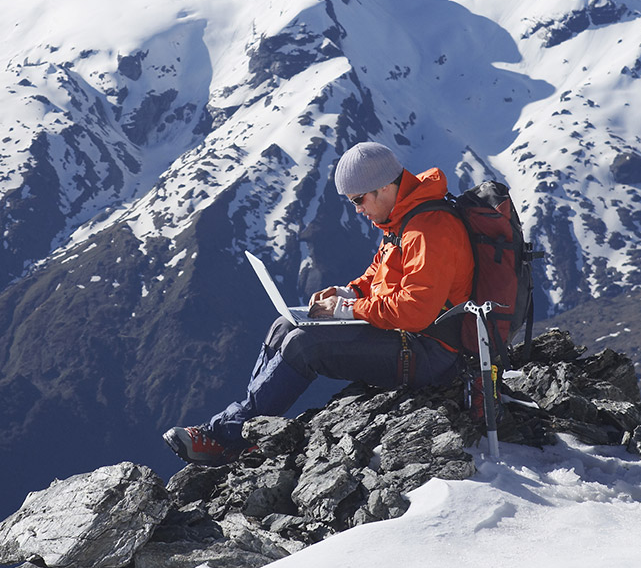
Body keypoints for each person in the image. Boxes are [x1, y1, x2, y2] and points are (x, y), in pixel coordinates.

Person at [164, 141, 475, 466]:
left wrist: (348, 311)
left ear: (384, 187)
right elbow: (381, 274)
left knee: (304, 345)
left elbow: (416, 310)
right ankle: (252, 427)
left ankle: (227, 438)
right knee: (285, 325)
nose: (357, 210)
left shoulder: (429, 230)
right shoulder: (404, 217)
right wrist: (348, 293)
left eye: (359, 200)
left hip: (431, 353)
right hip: (408, 337)